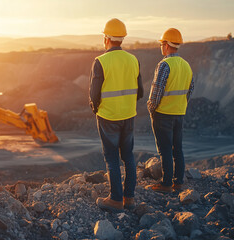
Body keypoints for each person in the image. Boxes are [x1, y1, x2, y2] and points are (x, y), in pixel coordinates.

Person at [89, 18, 143, 212]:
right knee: (128, 156)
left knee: (111, 158)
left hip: (108, 116)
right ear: (122, 39)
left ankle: (115, 200)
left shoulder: (101, 61)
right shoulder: (133, 60)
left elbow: (94, 94)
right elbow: (141, 92)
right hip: (129, 115)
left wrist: (96, 108)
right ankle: (129, 198)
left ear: (106, 38)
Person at [147, 28, 194, 193]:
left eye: (162, 43)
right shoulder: (186, 65)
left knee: (165, 149)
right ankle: (178, 182)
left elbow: (156, 92)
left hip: (163, 114)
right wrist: (180, 104)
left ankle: (166, 184)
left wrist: (152, 109)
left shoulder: (164, 65)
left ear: (166, 45)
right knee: (177, 149)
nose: (161, 46)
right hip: (179, 113)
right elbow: (190, 89)